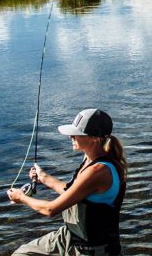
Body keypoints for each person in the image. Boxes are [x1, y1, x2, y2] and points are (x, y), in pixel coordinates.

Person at [8, 109, 128, 256]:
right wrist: (44, 177)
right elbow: (73, 192)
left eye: (77, 134)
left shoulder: (98, 171)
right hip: (69, 237)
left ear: (95, 138)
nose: (71, 136)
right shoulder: (89, 159)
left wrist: (21, 197)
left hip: (93, 250)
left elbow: (50, 210)